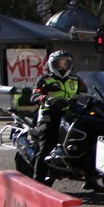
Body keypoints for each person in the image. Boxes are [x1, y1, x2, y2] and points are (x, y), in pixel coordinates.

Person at [31, 50, 87, 184]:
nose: (62, 67)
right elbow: (34, 96)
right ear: (51, 65)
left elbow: (86, 94)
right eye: (58, 63)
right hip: (49, 116)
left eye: (66, 63)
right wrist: (47, 99)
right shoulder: (45, 79)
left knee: (85, 142)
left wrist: (85, 100)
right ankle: (37, 182)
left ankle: (90, 179)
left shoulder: (76, 79)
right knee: (46, 147)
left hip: (70, 116)